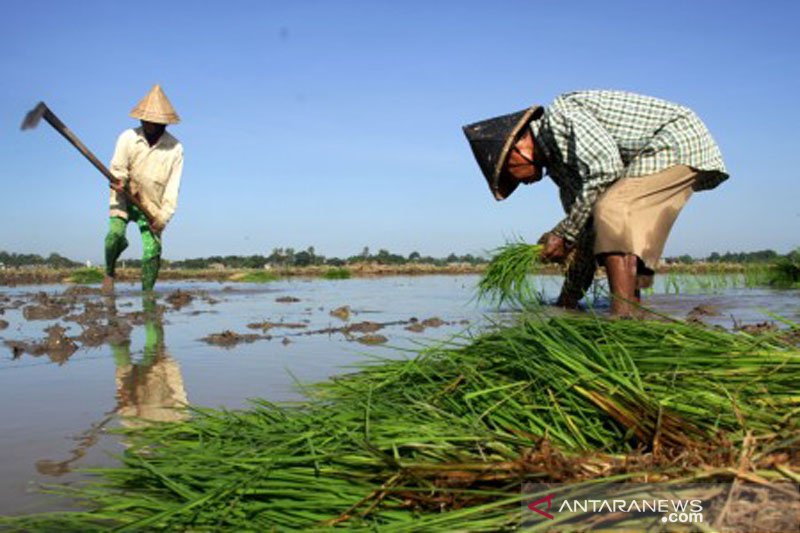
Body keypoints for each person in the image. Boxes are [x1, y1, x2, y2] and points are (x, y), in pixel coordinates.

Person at [463, 90, 728, 316]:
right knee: (605, 220)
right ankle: (632, 314)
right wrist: (567, 302)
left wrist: (562, 234)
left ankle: (622, 320)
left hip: (677, 140)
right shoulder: (561, 170)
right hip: (658, 153)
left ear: (518, 148)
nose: (522, 183)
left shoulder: (560, 116)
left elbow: (606, 170)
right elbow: (587, 236)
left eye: (511, 174)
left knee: (612, 208)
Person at [103, 84, 184, 294]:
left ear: (164, 123)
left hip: (152, 205)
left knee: (152, 251)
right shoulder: (127, 138)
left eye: (154, 121)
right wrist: (121, 182)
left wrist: (163, 217)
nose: (148, 124)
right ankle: (109, 271)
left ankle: (148, 295)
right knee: (114, 236)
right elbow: (118, 168)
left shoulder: (175, 149)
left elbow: (173, 187)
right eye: (145, 119)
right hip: (124, 196)